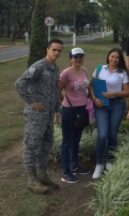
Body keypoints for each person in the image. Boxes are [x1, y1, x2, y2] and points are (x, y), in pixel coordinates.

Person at [16, 39, 64, 194]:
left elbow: (56, 91)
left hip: (48, 115)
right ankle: (32, 180)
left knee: (46, 144)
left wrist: (57, 110)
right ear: (47, 49)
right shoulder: (38, 67)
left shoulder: (55, 69)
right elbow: (20, 83)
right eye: (54, 50)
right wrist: (32, 102)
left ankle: (43, 175)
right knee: (32, 146)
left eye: (59, 50)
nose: (56, 53)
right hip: (36, 116)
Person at [89, 48, 129, 180]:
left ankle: (109, 161)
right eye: (112, 56)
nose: (114, 59)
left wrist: (113, 93)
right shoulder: (100, 68)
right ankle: (99, 164)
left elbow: (127, 92)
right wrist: (94, 99)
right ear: (108, 57)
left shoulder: (123, 72)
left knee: (112, 134)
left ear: (120, 59)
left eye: (117, 57)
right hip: (101, 105)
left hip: (117, 105)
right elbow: (91, 86)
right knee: (102, 135)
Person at [58, 47, 92, 184]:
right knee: (67, 141)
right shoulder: (65, 73)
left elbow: (87, 87)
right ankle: (66, 172)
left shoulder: (84, 71)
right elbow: (58, 91)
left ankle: (74, 166)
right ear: (70, 59)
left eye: (80, 57)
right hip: (69, 110)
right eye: (75, 57)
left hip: (82, 110)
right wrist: (65, 103)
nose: (78, 60)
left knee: (76, 140)